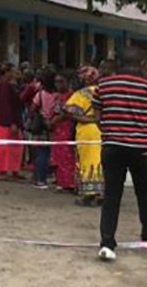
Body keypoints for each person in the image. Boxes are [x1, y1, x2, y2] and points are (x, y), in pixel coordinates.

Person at [93, 46, 147, 262]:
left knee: (112, 195)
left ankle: (107, 242)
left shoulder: (103, 85)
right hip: (140, 149)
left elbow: (97, 117)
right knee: (145, 193)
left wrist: (112, 131)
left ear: (119, 63)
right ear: (141, 64)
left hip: (112, 147)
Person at [65, 66, 104, 207]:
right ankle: (101, 193)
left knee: (87, 161)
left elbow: (69, 111)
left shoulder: (81, 94)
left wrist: (88, 119)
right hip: (103, 130)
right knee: (101, 161)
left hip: (87, 131)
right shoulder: (105, 92)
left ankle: (89, 194)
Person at [0, 63, 25, 182]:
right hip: (6, 122)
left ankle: (14, 169)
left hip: (11, 120)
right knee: (5, 147)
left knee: (15, 146)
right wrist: (12, 122)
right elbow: (6, 105)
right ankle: (4, 171)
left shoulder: (10, 85)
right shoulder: (4, 85)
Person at [49, 72, 76, 192]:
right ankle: (61, 181)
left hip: (67, 128)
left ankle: (69, 184)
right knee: (58, 157)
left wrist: (55, 120)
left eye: (61, 82)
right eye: (56, 82)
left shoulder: (72, 96)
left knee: (67, 157)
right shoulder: (57, 96)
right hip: (57, 130)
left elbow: (67, 113)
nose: (58, 84)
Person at [31, 71, 57, 189]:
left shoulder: (40, 94)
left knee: (42, 153)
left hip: (41, 127)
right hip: (55, 126)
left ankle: (41, 179)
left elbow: (33, 109)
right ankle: (55, 177)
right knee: (54, 153)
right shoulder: (57, 95)